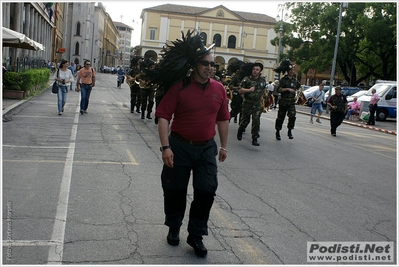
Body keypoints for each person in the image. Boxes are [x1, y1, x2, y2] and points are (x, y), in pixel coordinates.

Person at [150, 30, 229, 258]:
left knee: (206, 190)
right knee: (175, 189)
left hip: (206, 148)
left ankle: (196, 235)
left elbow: (223, 118)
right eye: (205, 63)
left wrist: (223, 146)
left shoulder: (219, 89)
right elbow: (163, 116)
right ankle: (174, 227)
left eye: (213, 65)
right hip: (180, 146)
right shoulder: (179, 87)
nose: (209, 68)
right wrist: (166, 148)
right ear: (194, 65)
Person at [236, 62, 267, 146]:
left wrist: (264, 99)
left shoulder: (262, 80)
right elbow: (240, 90)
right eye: (254, 69)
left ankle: (255, 138)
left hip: (257, 104)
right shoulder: (247, 79)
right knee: (245, 120)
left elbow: (264, 90)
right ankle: (240, 130)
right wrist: (248, 90)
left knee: (256, 120)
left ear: (260, 71)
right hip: (247, 103)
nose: (255, 71)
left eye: (257, 69)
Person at [274, 59, 301, 140]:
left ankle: (290, 130)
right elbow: (278, 90)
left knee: (292, 116)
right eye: (291, 70)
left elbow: (299, 88)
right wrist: (287, 89)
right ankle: (278, 131)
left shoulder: (295, 80)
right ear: (287, 71)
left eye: (293, 70)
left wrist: (299, 94)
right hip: (283, 101)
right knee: (280, 117)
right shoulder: (283, 80)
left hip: (291, 102)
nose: (292, 71)